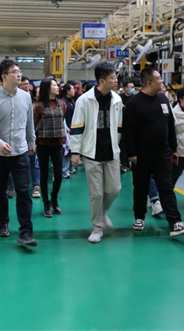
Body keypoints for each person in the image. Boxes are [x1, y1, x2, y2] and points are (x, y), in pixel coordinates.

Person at [124, 67, 184, 237]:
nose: (162, 81)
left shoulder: (163, 99)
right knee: (140, 187)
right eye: (159, 79)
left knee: (166, 188)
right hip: (141, 155)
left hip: (162, 154)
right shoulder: (134, 103)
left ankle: (175, 222)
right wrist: (131, 153)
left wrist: (173, 148)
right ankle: (139, 217)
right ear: (149, 83)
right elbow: (128, 130)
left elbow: (170, 125)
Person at [0, 59, 37, 247]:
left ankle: (26, 232)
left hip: (20, 151)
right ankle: (3, 222)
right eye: (14, 72)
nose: (19, 74)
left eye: (19, 71)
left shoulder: (26, 97)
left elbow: (29, 122)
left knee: (23, 191)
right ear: (4, 76)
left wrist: (31, 142)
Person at [70, 63, 123, 243]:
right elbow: (77, 127)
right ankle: (97, 228)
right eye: (112, 78)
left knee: (114, 189)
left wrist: (116, 145)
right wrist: (75, 152)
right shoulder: (84, 100)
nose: (116, 81)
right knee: (96, 193)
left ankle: (102, 212)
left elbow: (119, 127)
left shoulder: (117, 99)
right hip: (91, 152)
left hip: (111, 152)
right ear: (102, 81)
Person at [34, 77, 68, 217]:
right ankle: (46, 203)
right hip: (43, 144)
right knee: (44, 174)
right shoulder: (39, 106)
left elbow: (62, 120)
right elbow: (34, 124)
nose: (57, 87)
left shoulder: (62, 104)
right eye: (54, 85)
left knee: (58, 175)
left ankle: (54, 199)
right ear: (47, 88)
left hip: (58, 144)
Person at [119, 81, 136, 173]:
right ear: (125, 89)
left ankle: (132, 164)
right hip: (122, 126)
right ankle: (124, 164)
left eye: (133, 87)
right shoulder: (119, 99)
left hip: (133, 126)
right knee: (123, 145)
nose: (133, 89)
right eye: (131, 87)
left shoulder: (135, 99)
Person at [60, 83, 76, 178]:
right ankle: (64, 171)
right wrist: (65, 126)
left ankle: (70, 167)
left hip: (72, 128)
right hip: (66, 129)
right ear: (68, 91)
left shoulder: (71, 101)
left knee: (71, 149)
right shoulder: (63, 102)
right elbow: (62, 117)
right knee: (66, 150)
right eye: (72, 89)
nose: (74, 91)